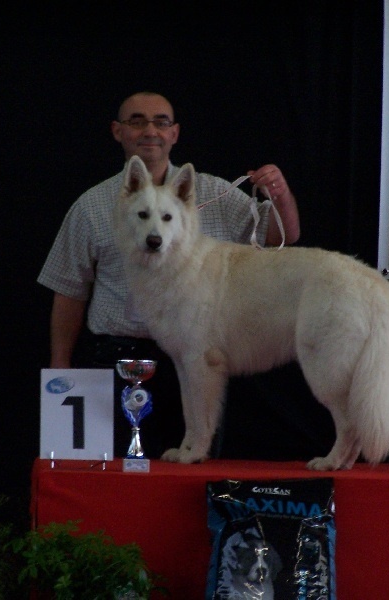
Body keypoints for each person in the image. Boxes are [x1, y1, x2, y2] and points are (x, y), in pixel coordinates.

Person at [38, 91, 301, 458]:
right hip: (118, 361)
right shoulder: (91, 206)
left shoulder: (214, 192)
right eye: (137, 121)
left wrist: (280, 195)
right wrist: (61, 366)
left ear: (174, 133)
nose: (150, 130)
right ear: (117, 131)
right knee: (116, 475)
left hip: (196, 356)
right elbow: (69, 289)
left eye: (161, 122)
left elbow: (280, 237)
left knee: (190, 470)